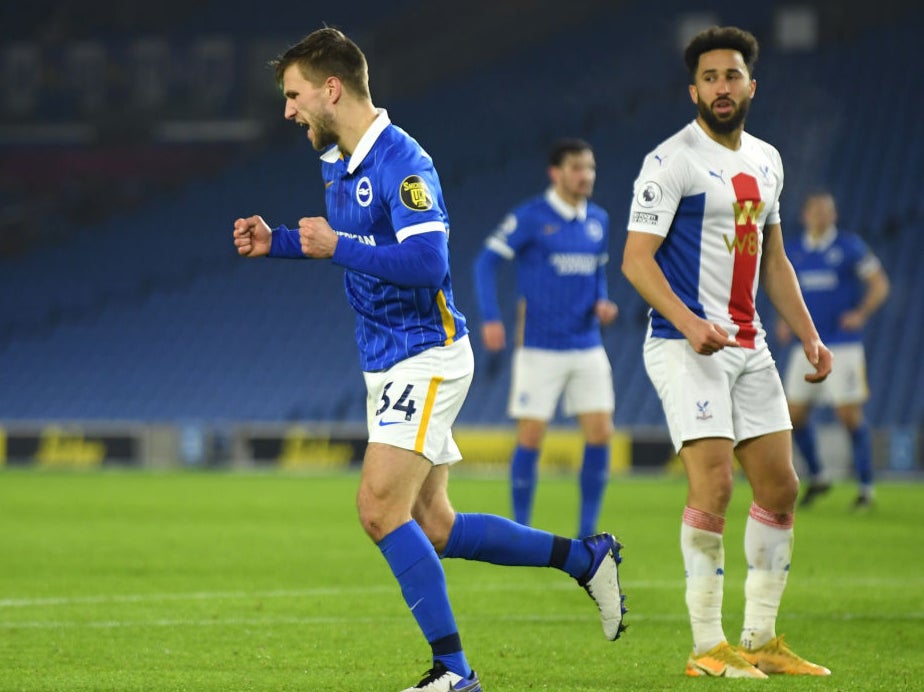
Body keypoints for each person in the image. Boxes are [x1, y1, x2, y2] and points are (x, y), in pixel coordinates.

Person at [232, 28, 626, 692]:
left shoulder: (403, 161)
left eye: (295, 96)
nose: (288, 111)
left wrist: (337, 248)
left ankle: (454, 672)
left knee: (378, 509)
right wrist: (278, 242)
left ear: (332, 89)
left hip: (427, 355)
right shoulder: (337, 159)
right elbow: (345, 241)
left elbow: (428, 261)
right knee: (434, 526)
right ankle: (586, 558)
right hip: (384, 360)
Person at [621, 25, 832, 679]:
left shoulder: (767, 160)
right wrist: (688, 322)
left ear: (750, 86)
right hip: (685, 346)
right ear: (694, 89)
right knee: (714, 483)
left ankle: (761, 639)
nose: (720, 87)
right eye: (709, 78)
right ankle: (708, 646)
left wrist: (808, 332)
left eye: (731, 76)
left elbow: (774, 262)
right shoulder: (670, 161)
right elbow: (635, 261)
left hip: (750, 344)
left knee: (781, 486)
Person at [472, 138, 618, 538]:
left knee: (601, 432)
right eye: (576, 167)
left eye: (590, 167)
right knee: (532, 437)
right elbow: (485, 262)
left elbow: (597, 273)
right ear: (556, 173)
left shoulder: (599, 221)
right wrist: (490, 318)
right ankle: (521, 529)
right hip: (539, 347)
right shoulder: (531, 217)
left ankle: (589, 530)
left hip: (587, 344)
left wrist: (602, 302)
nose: (585, 175)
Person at [777, 191, 890, 509]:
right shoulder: (795, 251)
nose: (820, 215)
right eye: (814, 210)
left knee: (848, 415)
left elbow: (879, 283)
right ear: (804, 215)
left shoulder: (850, 247)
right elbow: (784, 287)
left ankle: (866, 487)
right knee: (793, 417)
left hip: (842, 344)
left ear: (834, 215)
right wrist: (786, 320)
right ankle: (819, 476)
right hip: (807, 343)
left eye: (826, 210)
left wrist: (861, 313)